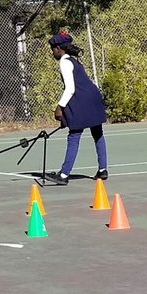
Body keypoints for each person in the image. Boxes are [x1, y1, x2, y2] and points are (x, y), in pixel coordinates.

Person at [45, 32, 108, 186]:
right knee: (97, 133)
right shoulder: (74, 61)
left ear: (59, 49)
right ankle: (103, 170)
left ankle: (64, 174)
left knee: (74, 136)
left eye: (53, 49)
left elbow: (70, 89)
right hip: (93, 97)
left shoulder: (65, 62)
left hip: (83, 100)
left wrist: (59, 107)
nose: (52, 52)